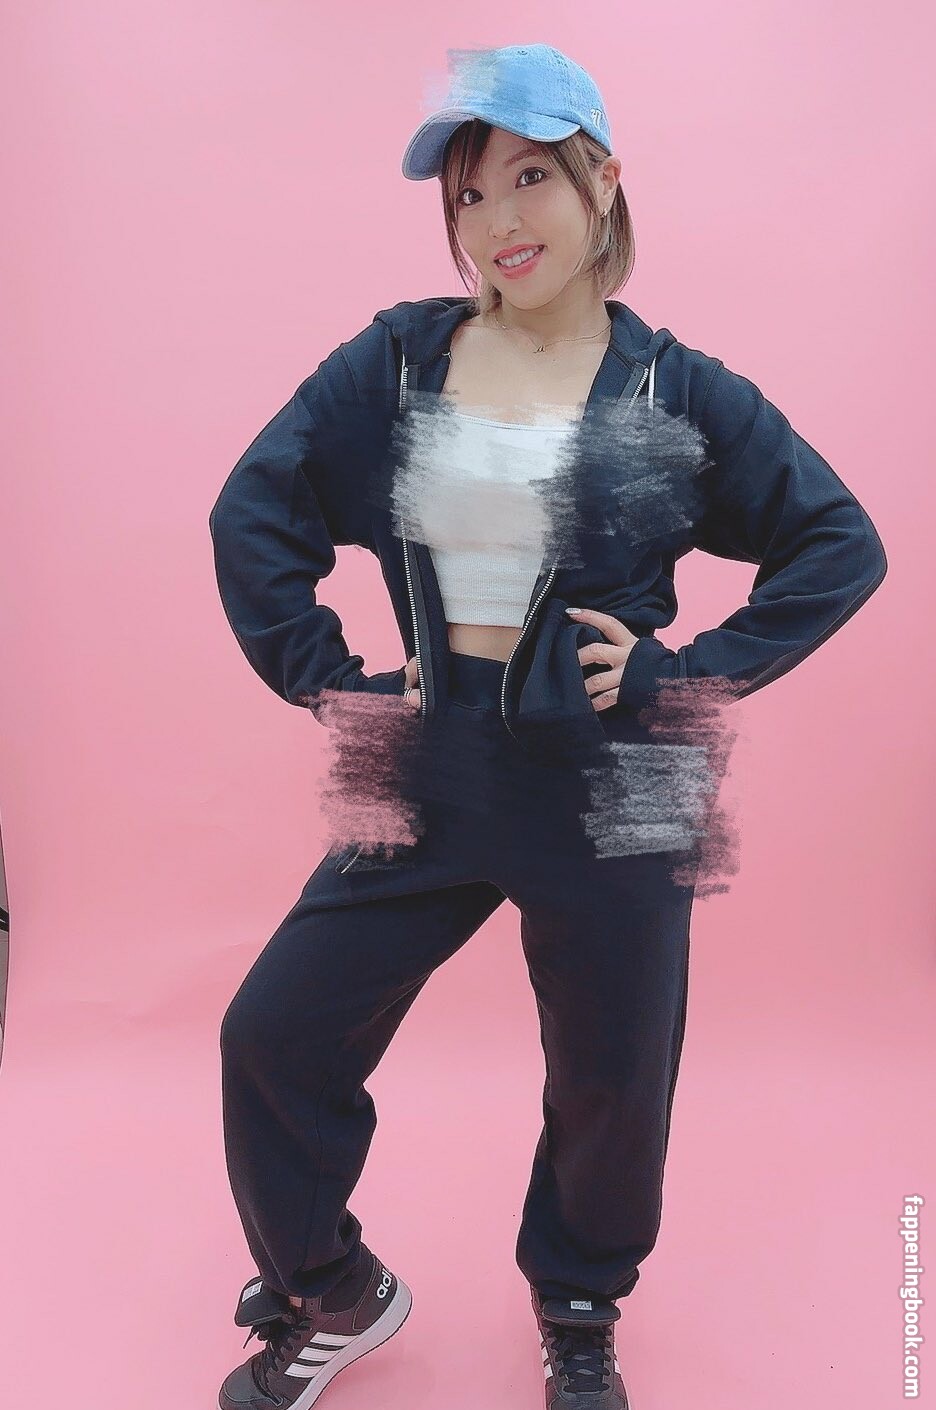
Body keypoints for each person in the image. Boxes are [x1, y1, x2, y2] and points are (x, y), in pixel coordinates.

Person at [208, 43, 887, 1410]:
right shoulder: (402, 361)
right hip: (430, 756)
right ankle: (330, 1288)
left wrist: (685, 671)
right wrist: (332, 679)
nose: (497, 222)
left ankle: (580, 1303)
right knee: (273, 1031)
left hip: (622, 778)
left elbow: (839, 543)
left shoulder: (674, 390)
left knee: (611, 1076)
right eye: (468, 195)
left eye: (529, 179)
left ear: (602, 181)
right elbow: (253, 511)